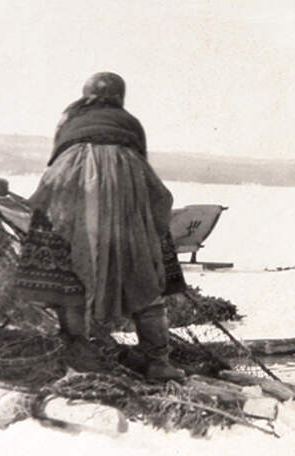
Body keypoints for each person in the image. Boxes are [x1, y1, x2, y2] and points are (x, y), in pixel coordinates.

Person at [13, 72, 187, 380]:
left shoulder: (70, 118)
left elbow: (56, 157)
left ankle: (78, 351)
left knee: (65, 266)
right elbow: (143, 163)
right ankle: (157, 360)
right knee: (144, 265)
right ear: (120, 96)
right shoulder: (129, 121)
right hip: (127, 180)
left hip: (73, 179)